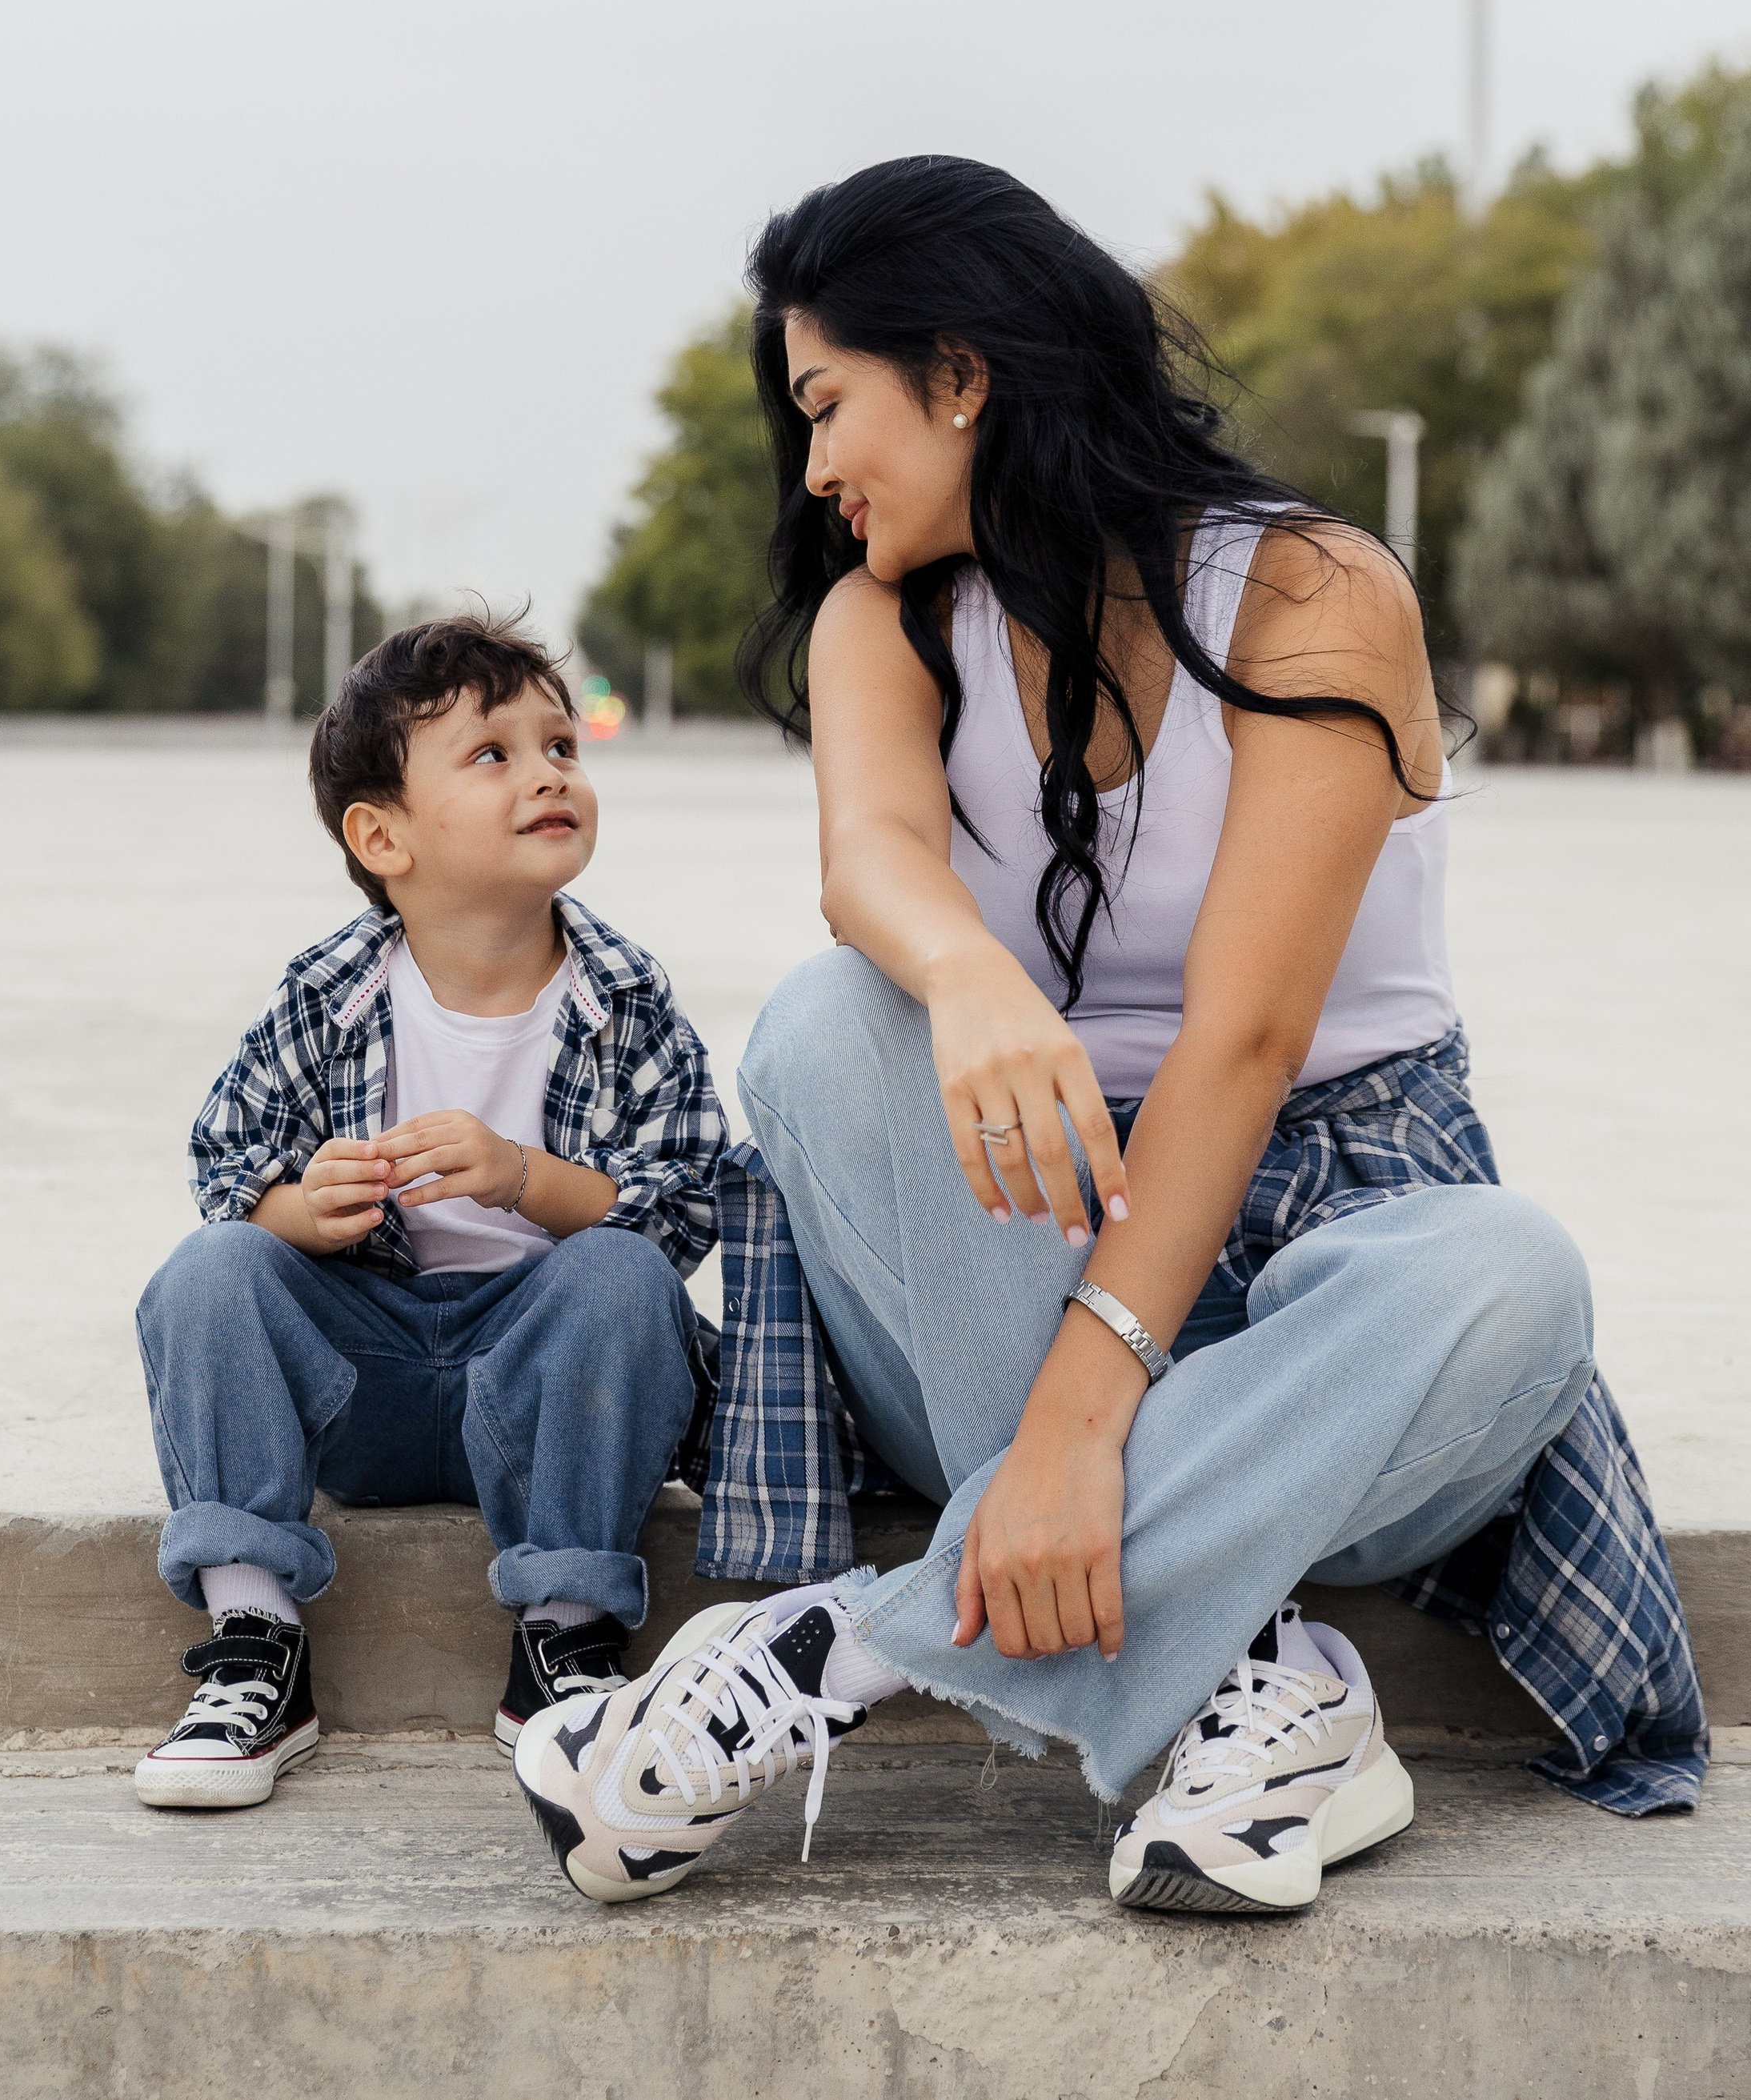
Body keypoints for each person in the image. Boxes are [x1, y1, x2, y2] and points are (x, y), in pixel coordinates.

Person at [512, 155, 1704, 1917]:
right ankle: (1257, 1689)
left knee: (1510, 1269)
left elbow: (1241, 1038)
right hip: (1011, 1240)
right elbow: (869, 866)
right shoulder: (885, 616)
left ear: (964, 372)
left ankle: (845, 1655)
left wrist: (1084, 1425)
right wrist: (982, 984)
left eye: (830, 403)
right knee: (836, 1022)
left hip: (1318, 1266)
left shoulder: (1312, 592)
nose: (817, 464)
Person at [133, 614, 720, 1808]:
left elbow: (688, 1204)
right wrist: (305, 1209)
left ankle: (562, 1639)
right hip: (371, 1372)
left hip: (539, 1380)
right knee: (209, 1270)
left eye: (561, 742)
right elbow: (223, 1154)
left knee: (621, 1280)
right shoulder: (334, 991)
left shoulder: (623, 997)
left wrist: (525, 1178)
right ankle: (256, 1637)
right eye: (493, 753)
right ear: (382, 834)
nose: (551, 768)